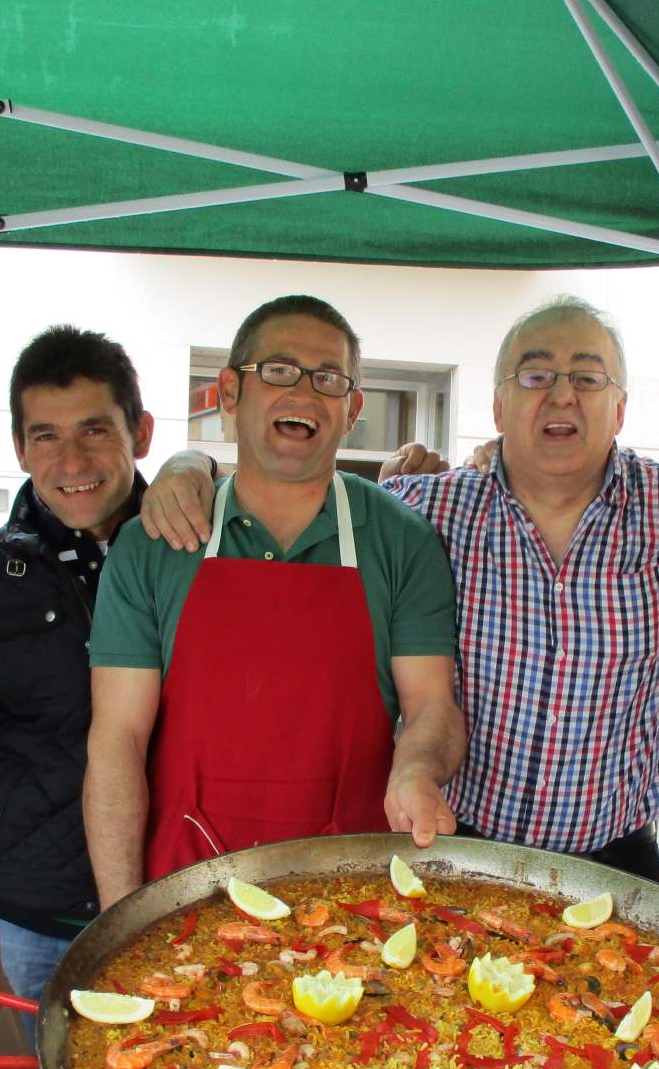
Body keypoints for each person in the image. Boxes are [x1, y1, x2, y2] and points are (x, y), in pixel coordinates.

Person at [139, 296, 659, 885]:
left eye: (587, 378)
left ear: (621, 407)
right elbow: (297, 485)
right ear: (498, 405)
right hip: (459, 847)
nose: (561, 394)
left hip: (618, 859)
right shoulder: (428, 509)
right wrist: (192, 463)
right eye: (535, 376)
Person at [84, 295, 463, 905]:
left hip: (351, 889)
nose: (304, 393)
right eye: (279, 371)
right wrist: (119, 917)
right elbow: (117, 740)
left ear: (352, 408)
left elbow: (431, 707)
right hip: (183, 885)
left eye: (329, 379)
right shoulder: (154, 541)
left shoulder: (403, 540)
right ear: (230, 391)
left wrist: (418, 770)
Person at [0, 325, 156, 1000]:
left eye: (95, 429)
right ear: (19, 448)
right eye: (45, 435)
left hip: (161, 901)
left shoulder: (193, 556)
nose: (71, 459)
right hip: (15, 914)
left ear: (140, 433)